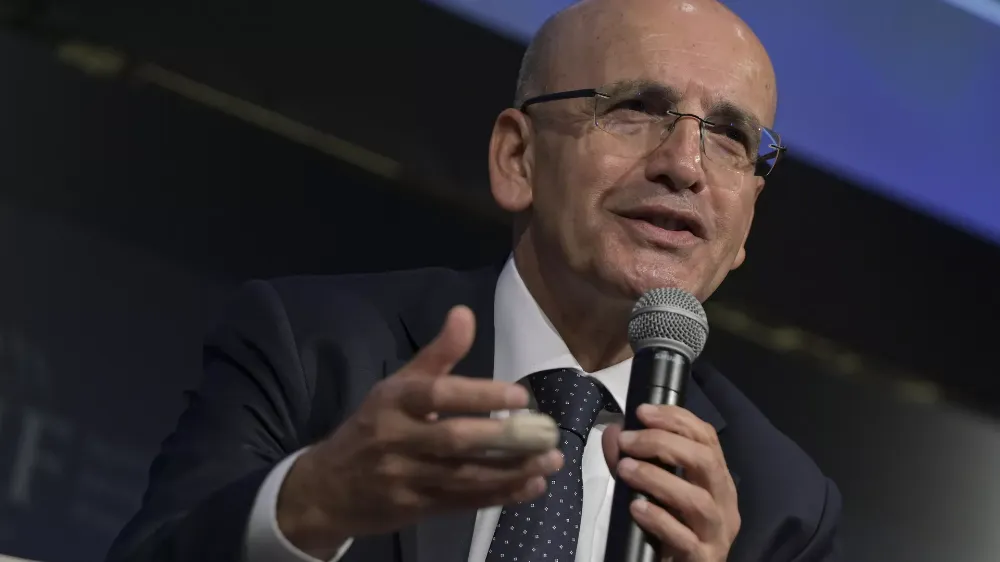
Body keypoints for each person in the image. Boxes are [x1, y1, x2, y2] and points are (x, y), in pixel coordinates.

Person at [107, 0, 841, 560]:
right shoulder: (313, 349)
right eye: (634, 111)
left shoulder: (781, 507)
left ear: (746, 221)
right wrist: (312, 504)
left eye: (730, 137)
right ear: (518, 158)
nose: (684, 164)